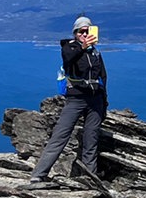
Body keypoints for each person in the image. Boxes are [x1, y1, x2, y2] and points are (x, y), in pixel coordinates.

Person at [30, 15, 107, 183]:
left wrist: (104, 103)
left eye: (88, 31)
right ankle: (38, 175)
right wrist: (82, 47)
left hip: (95, 100)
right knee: (60, 136)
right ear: (75, 33)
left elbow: (102, 76)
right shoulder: (69, 47)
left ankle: (90, 179)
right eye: (81, 31)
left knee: (91, 139)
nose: (85, 34)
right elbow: (68, 61)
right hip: (76, 99)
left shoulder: (95, 52)